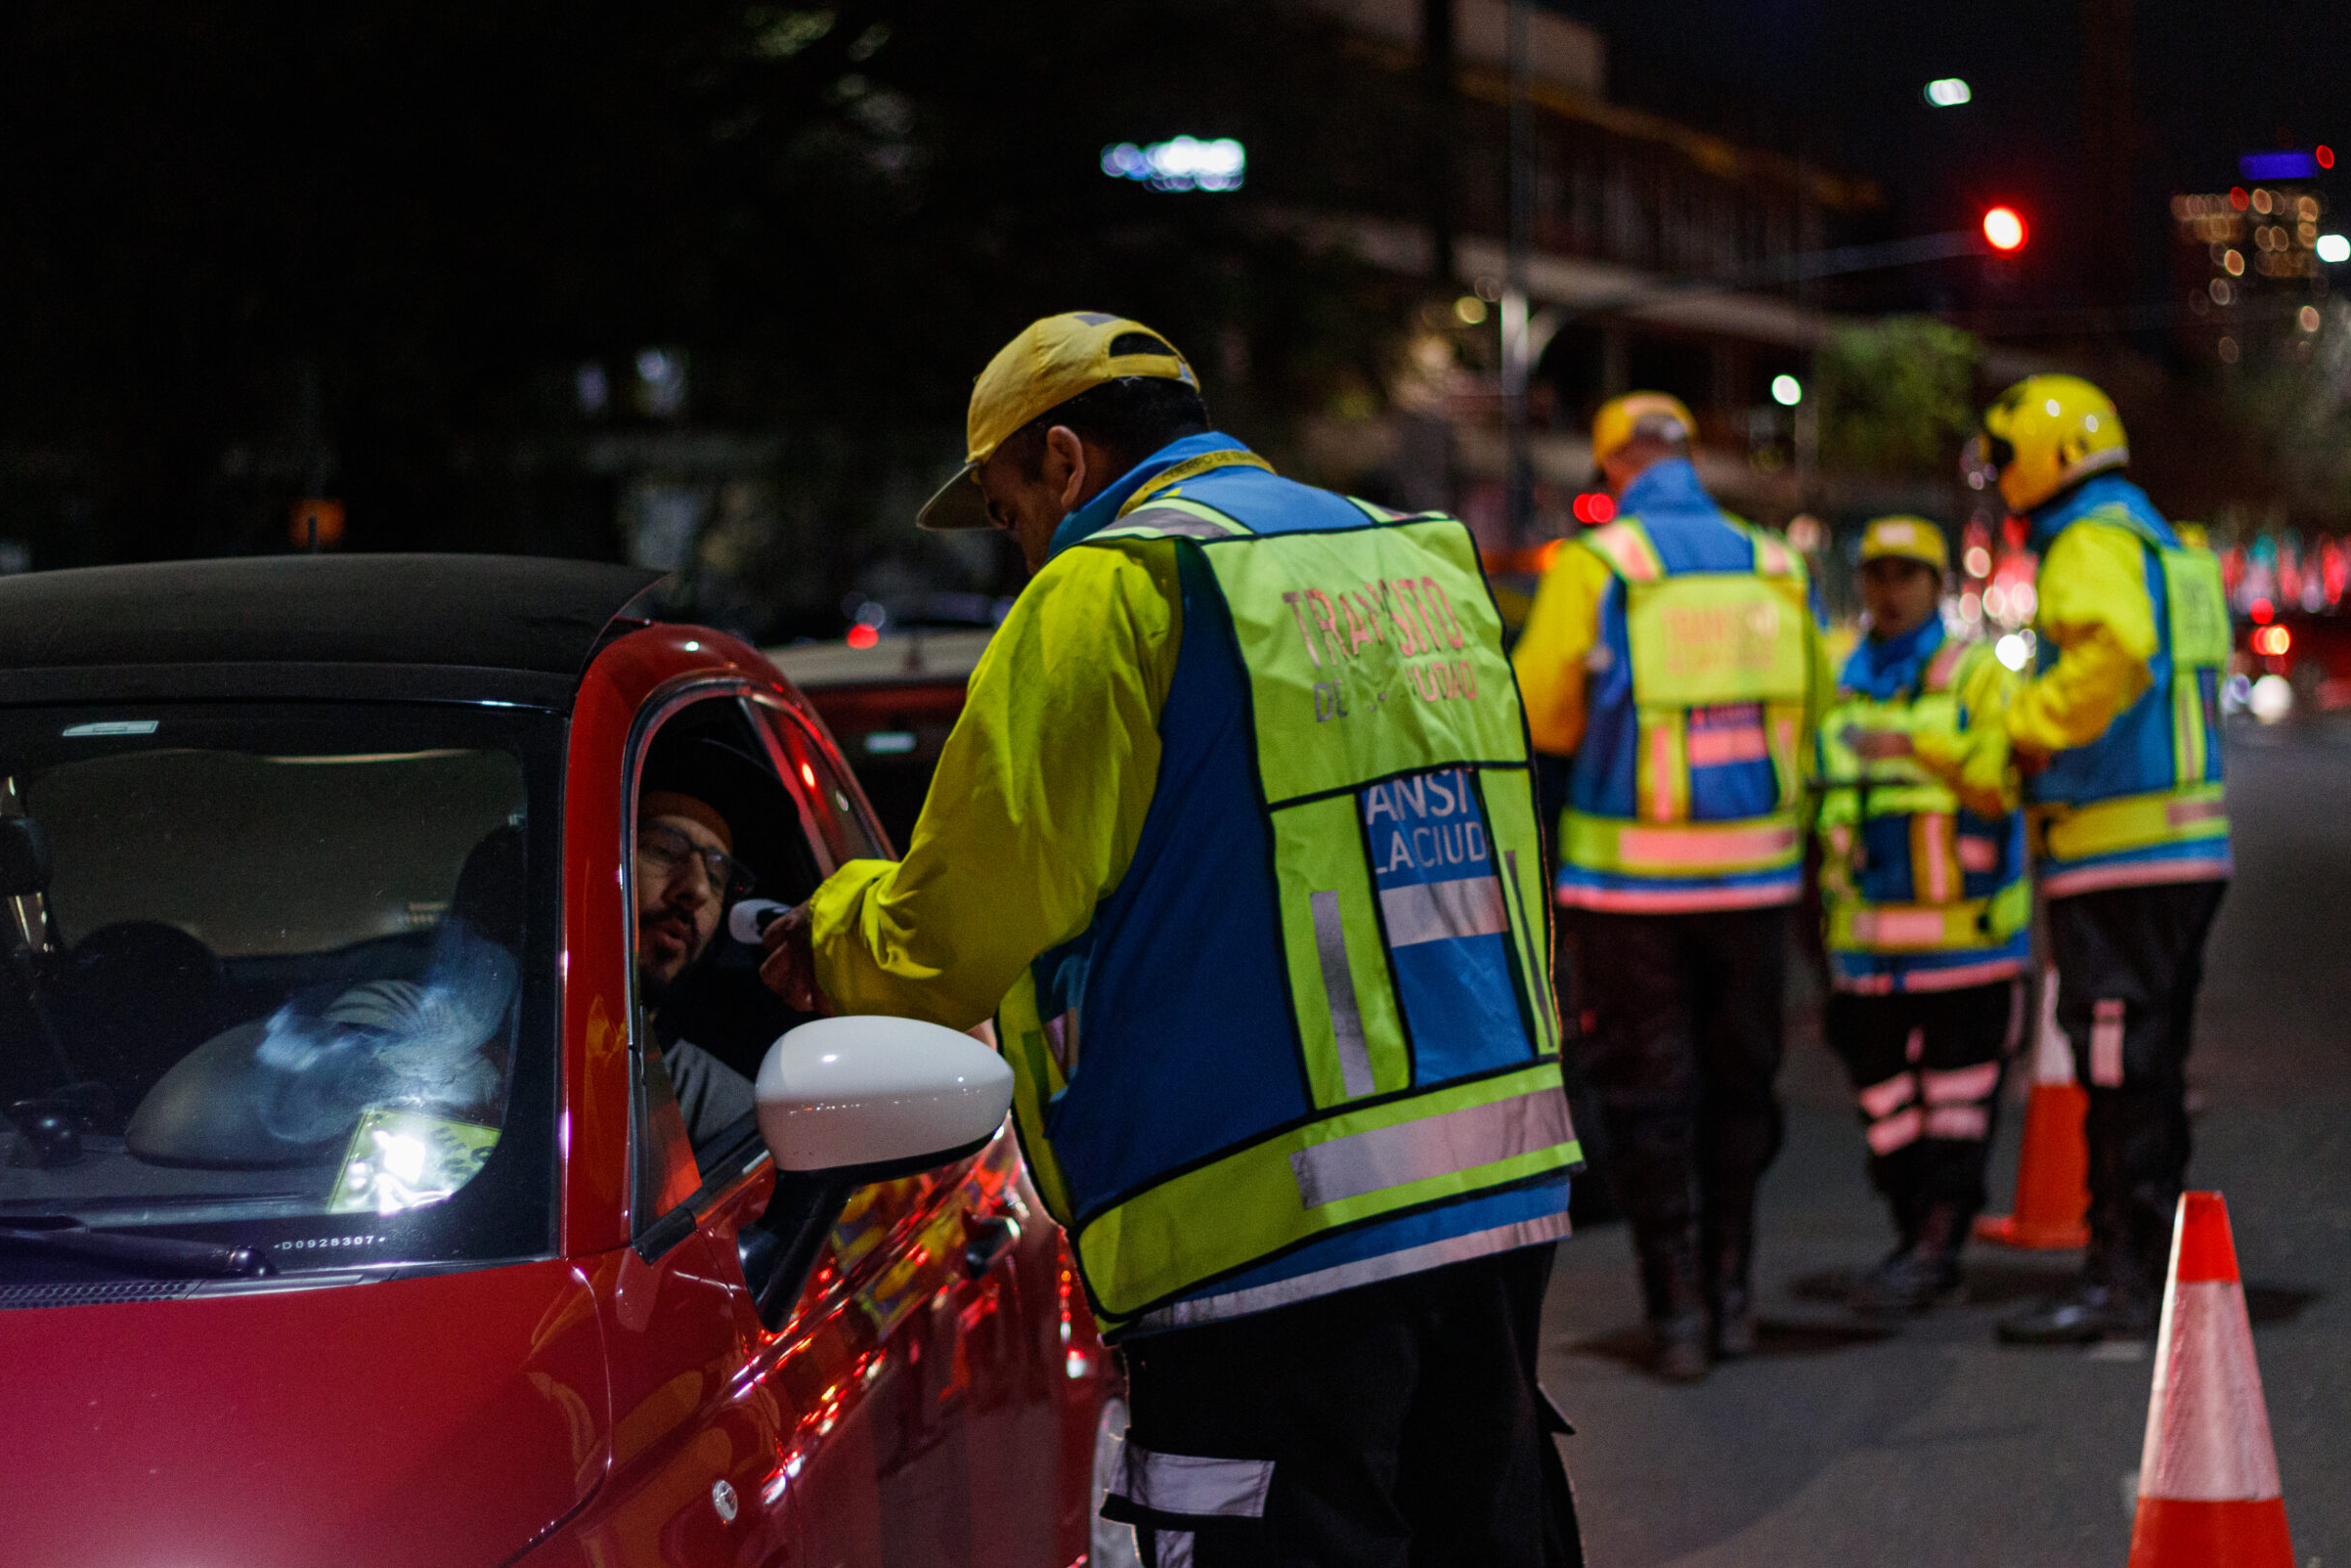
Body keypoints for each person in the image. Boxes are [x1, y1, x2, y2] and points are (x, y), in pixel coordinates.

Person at [762, 312, 1586, 1566]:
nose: (1016, 547)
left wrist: (818, 937)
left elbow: (950, 935)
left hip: (1268, 1237)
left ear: (1063, 462)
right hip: (1493, 1197)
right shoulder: (1408, 558)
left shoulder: (1110, 590)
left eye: (1004, 510)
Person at [1510, 391, 1831, 1382]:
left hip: (1629, 888)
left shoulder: (1600, 564)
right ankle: (1734, 1294)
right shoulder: (1778, 566)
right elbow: (1815, 704)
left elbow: (1539, 712)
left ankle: (1677, 1309)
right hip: (1756, 880)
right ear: (1689, 456)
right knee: (1740, 1080)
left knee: (1650, 1091)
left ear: (1614, 468)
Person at [1963, 375, 2231, 1344]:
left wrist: (2026, 728)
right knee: (2147, 1065)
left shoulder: (2087, 541)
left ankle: (2121, 1276)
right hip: (2180, 850)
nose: (1997, 479)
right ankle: (2147, 1266)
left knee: (2117, 1068)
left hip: (2118, 854)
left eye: (2001, 458)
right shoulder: (2161, 539)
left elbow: (2111, 653)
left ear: (2045, 455)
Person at [1812, 515, 2029, 1314]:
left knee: (1957, 1107)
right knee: (1887, 1109)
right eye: (1877, 574)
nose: (1889, 590)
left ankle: (1937, 1245)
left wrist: (1903, 747)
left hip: (1965, 942)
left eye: (1907, 575)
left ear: (1938, 586)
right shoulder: (1840, 677)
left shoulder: (1974, 673)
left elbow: (1997, 779)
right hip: (1866, 946)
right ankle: (1915, 1236)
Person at [633, 790, 758, 1143]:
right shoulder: (476, 1037)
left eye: (718, 878)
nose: (700, 889)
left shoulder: (732, 1120)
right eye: (663, 850)